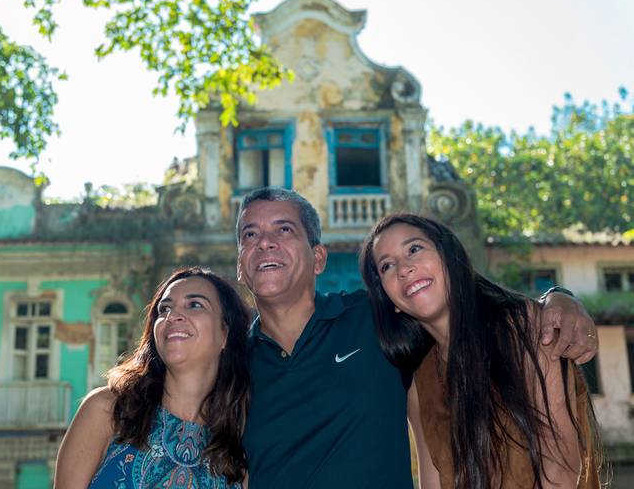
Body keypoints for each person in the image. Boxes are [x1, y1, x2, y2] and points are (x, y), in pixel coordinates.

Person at [235, 187, 598, 489]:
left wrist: (559, 297)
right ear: (240, 265)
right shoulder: (230, 366)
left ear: (318, 259)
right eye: (250, 234)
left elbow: (561, 469)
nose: (265, 242)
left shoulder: (373, 321)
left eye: (284, 229)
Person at [360, 213, 602, 488]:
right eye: (387, 266)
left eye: (414, 249)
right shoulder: (419, 383)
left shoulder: (526, 327)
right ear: (389, 299)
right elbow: (433, 482)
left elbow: (562, 469)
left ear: (449, 256)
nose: (404, 269)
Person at [54, 267, 251, 489]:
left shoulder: (240, 450)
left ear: (225, 333)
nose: (172, 316)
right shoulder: (107, 411)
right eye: (164, 308)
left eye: (195, 305)